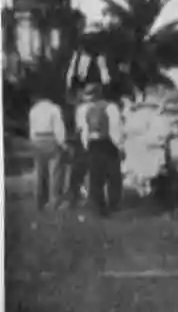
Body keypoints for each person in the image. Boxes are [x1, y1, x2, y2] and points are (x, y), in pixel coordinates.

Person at [75, 84, 124, 216]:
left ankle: (98, 206)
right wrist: (120, 145)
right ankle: (114, 204)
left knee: (95, 177)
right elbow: (115, 128)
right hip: (108, 144)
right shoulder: (111, 107)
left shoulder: (83, 109)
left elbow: (83, 129)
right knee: (113, 176)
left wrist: (86, 145)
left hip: (93, 144)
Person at [28, 91, 69, 211]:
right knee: (54, 172)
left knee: (39, 172)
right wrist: (62, 143)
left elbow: (31, 128)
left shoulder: (33, 110)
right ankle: (53, 200)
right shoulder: (54, 109)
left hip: (37, 140)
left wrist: (33, 142)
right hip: (51, 139)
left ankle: (38, 200)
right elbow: (58, 128)